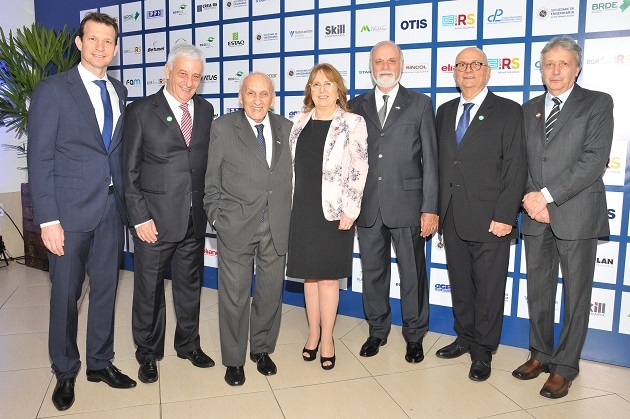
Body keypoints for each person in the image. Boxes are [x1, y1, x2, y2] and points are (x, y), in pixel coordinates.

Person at [27, 12, 136, 411]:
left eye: (108, 41)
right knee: (66, 295)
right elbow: (39, 158)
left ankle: (100, 363)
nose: (100, 47)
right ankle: (65, 370)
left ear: (115, 48)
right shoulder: (53, 89)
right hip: (68, 215)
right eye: (93, 39)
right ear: (79, 42)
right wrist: (48, 219)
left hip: (110, 210)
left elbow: (114, 153)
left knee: (106, 289)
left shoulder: (119, 90)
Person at [513, 36, 614, 399]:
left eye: (563, 64)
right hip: (535, 214)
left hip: (577, 213)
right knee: (538, 291)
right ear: (541, 69)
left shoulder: (598, 103)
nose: (555, 71)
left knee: (576, 295)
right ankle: (540, 353)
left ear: (577, 68)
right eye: (548, 64)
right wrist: (531, 199)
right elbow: (522, 160)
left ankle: (565, 366)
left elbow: (593, 160)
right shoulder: (527, 109)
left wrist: (546, 196)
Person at [122, 44, 215, 384]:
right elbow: (128, 171)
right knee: (148, 291)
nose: (189, 82)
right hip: (154, 222)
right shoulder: (140, 111)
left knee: (190, 288)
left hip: (193, 219)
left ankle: (189, 344)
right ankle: (148, 353)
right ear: (168, 71)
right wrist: (139, 218)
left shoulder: (205, 110)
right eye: (183, 73)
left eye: (196, 76)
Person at [435, 47, 526, 381]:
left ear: (488, 71)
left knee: (488, 288)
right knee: (460, 284)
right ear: (454, 72)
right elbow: (441, 164)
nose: (468, 70)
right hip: (452, 215)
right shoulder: (444, 111)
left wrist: (505, 215)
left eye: (475, 64)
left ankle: (483, 350)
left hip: (491, 218)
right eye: (461, 65)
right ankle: (465, 337)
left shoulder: (508, 110)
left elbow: (516, 166)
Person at [348, 40, 438, 363]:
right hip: (368, 205)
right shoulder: (355, 106)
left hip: (408, 205)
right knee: (373, 273)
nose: (384, 66)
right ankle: (377, 330)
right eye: (378, 61)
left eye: (390, 61)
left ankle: (414, 336)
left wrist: (430, 207)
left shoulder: (420, 103)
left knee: (412, 274)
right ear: (371, 67)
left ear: (401, 65)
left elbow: (431, 159)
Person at [204, 72, 293, 386]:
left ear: (272, 98)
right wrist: (219, 220)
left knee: (270, 293)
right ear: (240, 96)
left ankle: (262, 349)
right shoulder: (223, 127)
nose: (257, 100)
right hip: (236, 227)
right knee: (234, 298)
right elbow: (211, 183)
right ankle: (233, 360)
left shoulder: (287, 128)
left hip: (276, 226)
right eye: (251, 93)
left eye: (264, 93)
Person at [288, 64, 369, 370]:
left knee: (328, 279)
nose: (322, 90)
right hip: (302, 208)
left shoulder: (352, 122)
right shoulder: (298, 121)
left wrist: (351, 209)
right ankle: (312, 333)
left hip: (334, 211)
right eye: (316, 84)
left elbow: (360, 167)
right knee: (309, 276)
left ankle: (327, 339)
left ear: (338, 90)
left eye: (328, 84)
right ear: (309, 89)